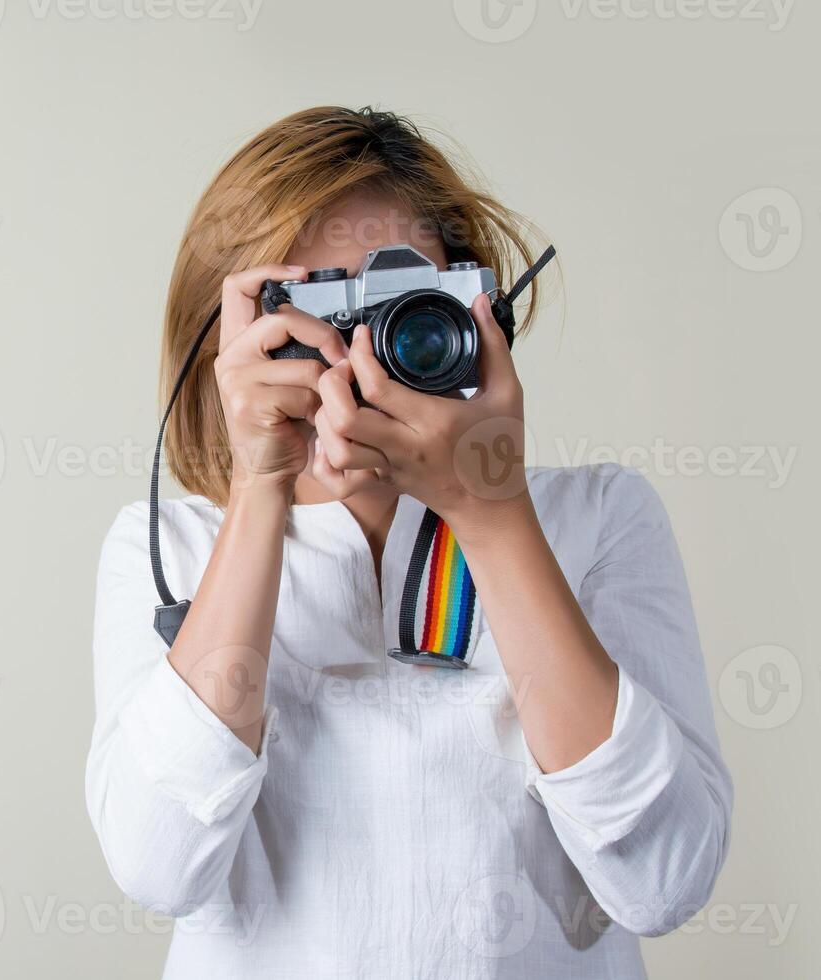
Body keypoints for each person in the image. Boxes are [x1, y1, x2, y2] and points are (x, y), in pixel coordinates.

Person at [86, 106, 732, 978]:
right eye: (313, 313)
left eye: (403, 310)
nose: (362, 358)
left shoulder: (599, 520)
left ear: (478, 312)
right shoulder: (171, 546)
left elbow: (666, 880)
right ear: (229, 339)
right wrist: (261, 489)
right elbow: (159, 864)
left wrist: (491, 509)